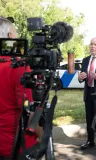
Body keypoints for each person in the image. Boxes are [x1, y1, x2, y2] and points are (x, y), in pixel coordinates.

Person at [0, 17, 34, 159]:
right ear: (9, 37)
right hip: (13, 146)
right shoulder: (18, 67)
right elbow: (31, 110)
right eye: (15, 33)